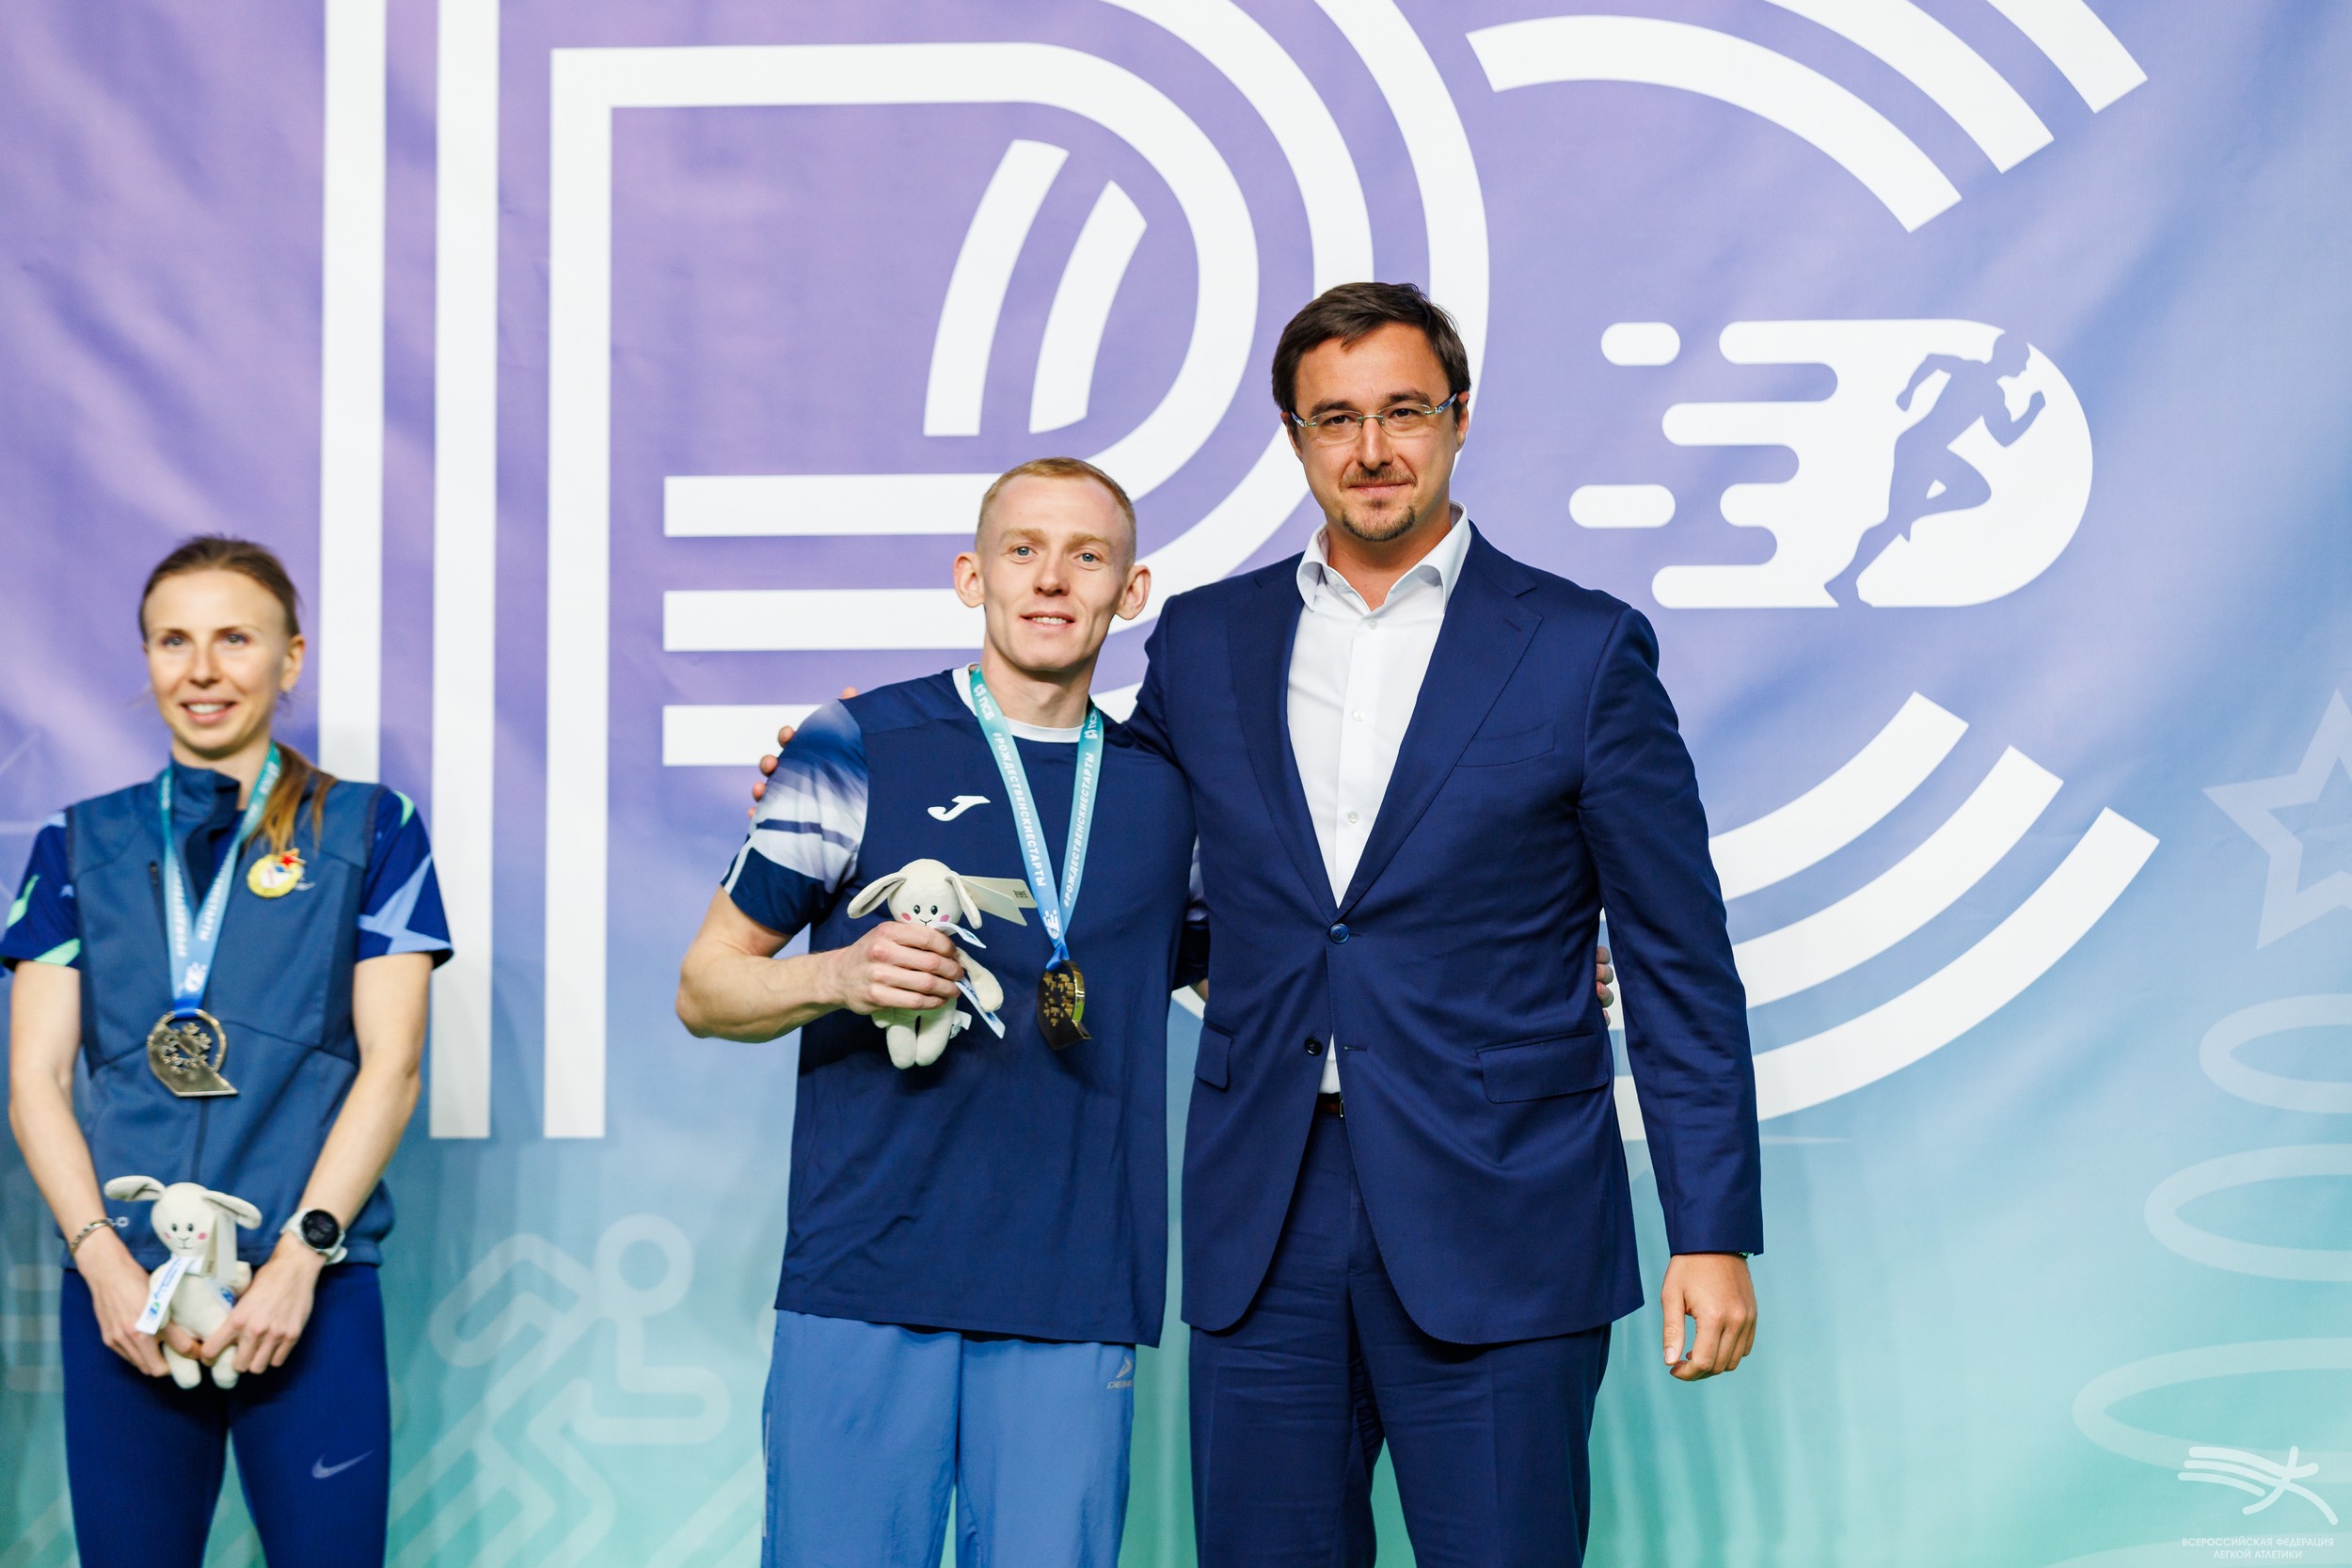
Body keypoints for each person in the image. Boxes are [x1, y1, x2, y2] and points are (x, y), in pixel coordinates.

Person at [1120, 281, 1762, 1566]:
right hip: (1267, 1209)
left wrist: (1710, 1230)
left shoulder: (1581, 649)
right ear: (1295, 438)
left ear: (1459, 419)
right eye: (1335, 419)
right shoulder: (1203, 641)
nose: (1371, 449)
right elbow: (1110, 862)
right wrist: (879, 778)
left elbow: (1677, 962)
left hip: (1504, 1207)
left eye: (1404, 411)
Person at [676, 458, 1202, 1568]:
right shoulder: (855, 742)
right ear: (973, 575)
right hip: (865, 1277)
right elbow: (706, 986)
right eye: (1023, 549)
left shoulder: (1171, 792)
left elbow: (1267, 971)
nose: (1051, 578)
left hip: (1074, 1287)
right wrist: (838, 975)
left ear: (1131, 591)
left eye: (1086, 555)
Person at [5, 536, 450, 1568]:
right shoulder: (76, 842)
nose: (202, 670)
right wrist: (103, 1260)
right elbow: (35, 1079)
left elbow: (392, 1065)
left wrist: (300, 1258)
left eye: (235, 639)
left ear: (290, 658)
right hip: (124, 1294)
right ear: (148, 658)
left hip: (310, 1289)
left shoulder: (372, 827)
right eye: (174, 641)